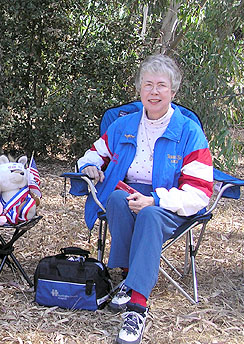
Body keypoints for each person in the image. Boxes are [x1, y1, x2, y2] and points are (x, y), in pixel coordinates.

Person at [77, 54, 213, 344]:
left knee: (149, 215)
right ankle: (128, 276)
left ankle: (137, 306)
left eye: (161, 86)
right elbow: (93, 153)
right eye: (148, 84)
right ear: (139, 90)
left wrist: (156, 200)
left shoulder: (188, 131)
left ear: (173, 92)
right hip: (128, 196)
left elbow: (199, 192)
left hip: (170, 202)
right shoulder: (124, 125)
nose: (154, 91)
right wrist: (89, 165)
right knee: (114, 198)